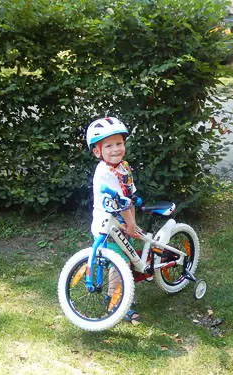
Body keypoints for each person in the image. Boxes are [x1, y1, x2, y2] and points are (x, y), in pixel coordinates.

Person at [86, 116, 142, 324]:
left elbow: (130, 197)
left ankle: (126, 289)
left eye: (119, 143)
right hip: (107, 226)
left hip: (123, 222)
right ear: (98, 151)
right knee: (119, 264)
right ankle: (117, 302)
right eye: (109, 146)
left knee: (128, 256)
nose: (116, 149)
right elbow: (123, 202)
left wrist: (132, 224)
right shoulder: (105, 172)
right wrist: (130, 225)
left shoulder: (124, 167)